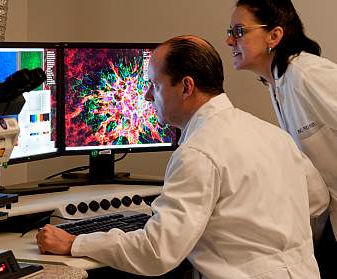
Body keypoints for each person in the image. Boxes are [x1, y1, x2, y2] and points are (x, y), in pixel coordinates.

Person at [36, 35, 329, 278]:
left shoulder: (198, 152)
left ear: (186, 86)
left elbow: (157, 252)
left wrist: (76, 242)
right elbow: (317, 199)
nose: (149, 97)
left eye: (154, 85)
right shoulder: (273, 136)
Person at [225, 0, 337, 277]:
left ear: (274, 36)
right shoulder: (279, 84)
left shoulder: (307, 75)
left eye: (239, 31)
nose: (229, 40)